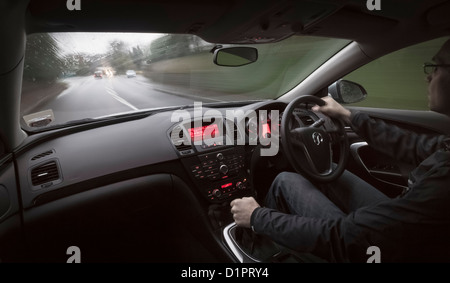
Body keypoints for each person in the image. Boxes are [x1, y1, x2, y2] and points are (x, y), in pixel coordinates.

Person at [230, 39, 450, 262]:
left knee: (285, 181)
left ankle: (264, 253)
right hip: (405, 228)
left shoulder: (443, 186)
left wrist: (258, 217)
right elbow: (411, 145)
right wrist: (348, 116)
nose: (429, 76)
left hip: (387, 251)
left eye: (438, 66)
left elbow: (346, 239)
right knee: (327, 170)